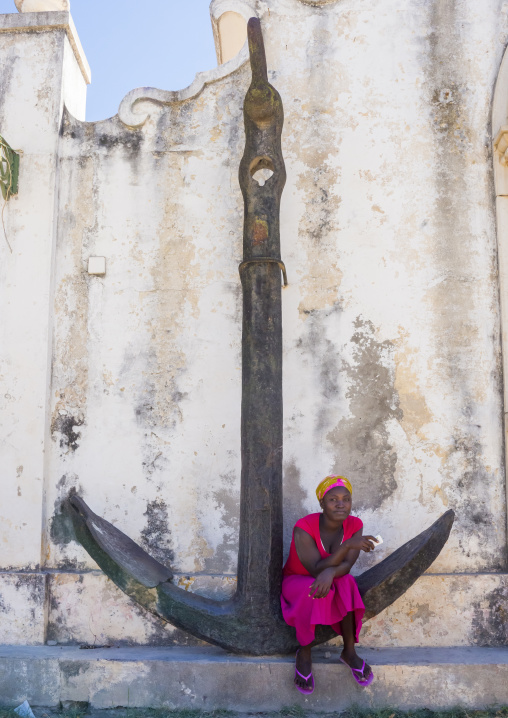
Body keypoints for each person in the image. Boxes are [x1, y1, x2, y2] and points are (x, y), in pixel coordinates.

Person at [281, 475, 378, 694]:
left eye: (346, 499)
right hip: (297, 579)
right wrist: (346, 547)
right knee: (312, 590)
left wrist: (331, 572)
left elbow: (347, 566)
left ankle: (349, 652)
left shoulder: (355, 525)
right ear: (322, 503)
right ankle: (304, 653)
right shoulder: (303, 527)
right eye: (333, 499)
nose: (341, 504)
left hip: (331, 575)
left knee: (347, 582)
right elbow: (315, 569)